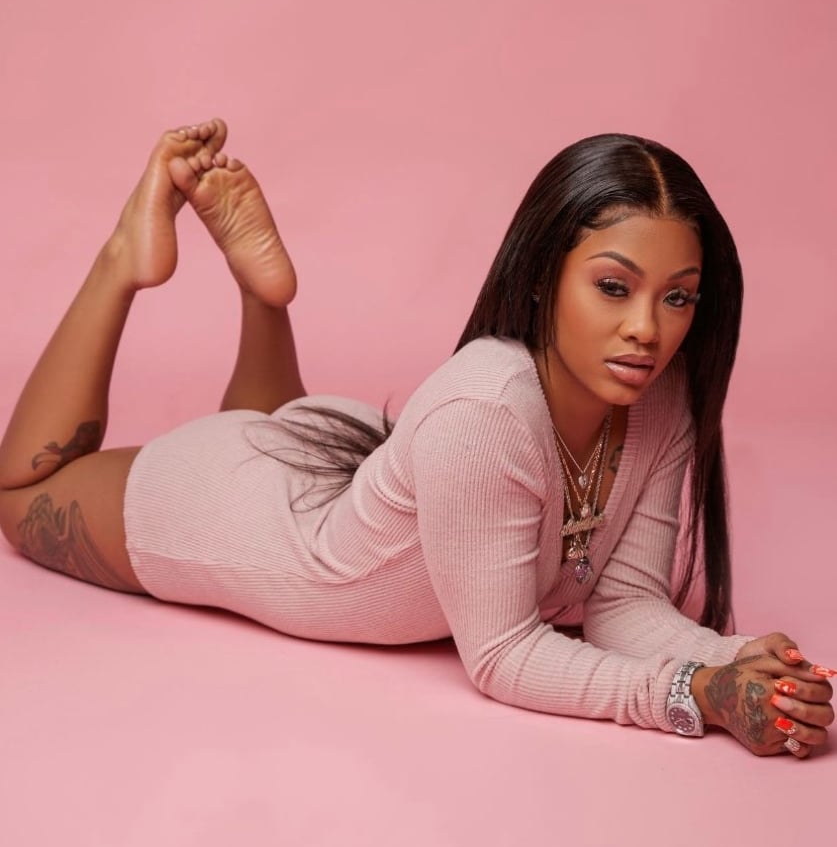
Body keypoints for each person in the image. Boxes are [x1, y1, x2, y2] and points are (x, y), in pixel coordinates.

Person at [1, 120, 833, 759]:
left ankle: (262, 298)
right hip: (249, 524)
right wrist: (695, 693)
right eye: (613, 287)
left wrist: (736, 662)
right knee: (21, 494)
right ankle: (122, 259)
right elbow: (503, 656)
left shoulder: (660, 393)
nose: (646, 330)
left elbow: (622, 605)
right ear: (541, 277)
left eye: (677, 297)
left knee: (264, 426)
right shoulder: (484, 412)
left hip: (325, 457)